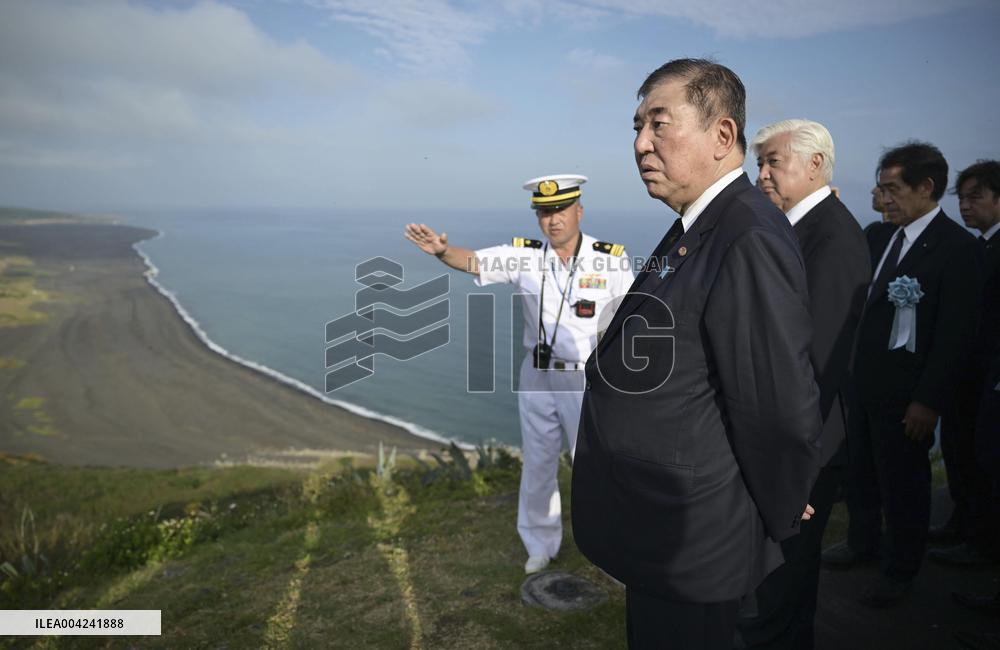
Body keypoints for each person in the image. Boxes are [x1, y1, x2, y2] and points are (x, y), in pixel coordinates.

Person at [570, 59, 822, 650]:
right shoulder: (697, 223)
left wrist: (785, 503)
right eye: (636, 127)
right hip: (661, 526)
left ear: (723, 136)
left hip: (693, 533)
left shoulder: (747, 234)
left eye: (660, 124)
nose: (640, 144)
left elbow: (776, 402)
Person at [403, 175, 633, 575]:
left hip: (584, 379)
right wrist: (442, 252)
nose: (553, 220)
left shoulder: (610, 259)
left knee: (593, 466)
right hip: (537, 375)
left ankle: (612, 544)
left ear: (579, 210)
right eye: (544, 213)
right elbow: (473, 260)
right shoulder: (524, 256)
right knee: (539, 462)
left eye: (560, 210)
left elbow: (630, 320)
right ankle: (539, 543)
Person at [740, 119, 870, 649]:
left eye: (773, 161)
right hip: (794, 437)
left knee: (780, 586)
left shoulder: (833, 236)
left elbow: (816, 361)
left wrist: (794, 461)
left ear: (816, 165)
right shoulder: (794, 226)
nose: (762, 174)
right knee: (780, 585)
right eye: (760, 163)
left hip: (806, 441)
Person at [845, 142, 983, 607]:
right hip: (863, 383)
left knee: (903, 484)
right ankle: (861, 543)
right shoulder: (879, 237)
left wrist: (928, 400)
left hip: (908, 397)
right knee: (861, 471)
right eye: (879, 188)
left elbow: (956, 335)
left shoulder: (958, 249)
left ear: (926, 188)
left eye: (892, 189)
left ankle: (900, 570)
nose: (884, 198)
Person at [930, 159, 1000, 565]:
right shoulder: (977, 246)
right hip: (965, 374)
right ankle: (963, 522)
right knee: (960, 451)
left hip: (986, 376)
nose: (966, 206)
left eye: (977, 197)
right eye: (963, 198)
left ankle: (982, 542)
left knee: (984, 460)